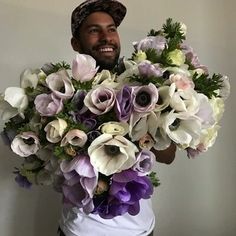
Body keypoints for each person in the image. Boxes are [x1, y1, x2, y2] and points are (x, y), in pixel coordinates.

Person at [58, 1, 176, 235]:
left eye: (111, 29)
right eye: (94, 30)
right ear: (75, 42)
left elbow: (168, 155)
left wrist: (138, 119)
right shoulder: (60, 93)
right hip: (80, 230)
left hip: (138, 229)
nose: (106, 37)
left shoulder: (143, 87)